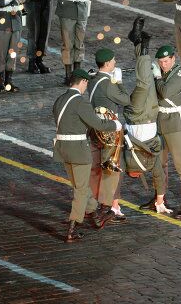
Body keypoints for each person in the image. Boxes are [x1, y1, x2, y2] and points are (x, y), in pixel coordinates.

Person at [52, 68, 122, 243]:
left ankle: (95, 215)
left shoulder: (60, 100)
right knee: (81, 190)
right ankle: (72, 227)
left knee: (79, 184)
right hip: (79, 151)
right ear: (82, 82)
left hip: (62, 149)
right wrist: (115, 125)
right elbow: (97, 124)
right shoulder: (80, 102)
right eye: (86, 84)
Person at [127, 18, 173, 214]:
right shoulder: (147, 164)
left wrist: (112, 204)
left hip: (136, 115)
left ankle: (143, 46)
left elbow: (113, 177)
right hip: (151, 115)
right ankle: (137, 42)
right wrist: (160, 202)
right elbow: (159, 177)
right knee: (150, 82)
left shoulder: (127, 162)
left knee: (144, 83)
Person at [153, 44, 181, 219]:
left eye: (166, 61)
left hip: (176, 124)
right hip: (160, 122)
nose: (163, 65)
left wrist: (156, 77)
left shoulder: (180, 73)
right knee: (159, 163)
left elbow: (164, 92)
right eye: (160, 62)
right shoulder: (164, 72)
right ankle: (158, 198)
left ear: (173, 58)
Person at [87, 48, 131, 223]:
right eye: (113, 61)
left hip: (93, 128)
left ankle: (90, 206)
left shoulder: (92, 80)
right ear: (106, 64)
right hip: (109, 130)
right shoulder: (108, 83)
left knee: (94, 168)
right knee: (110, 168)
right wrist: (118, 82)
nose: (115, 63)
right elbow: (125, 99)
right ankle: (105, 207)